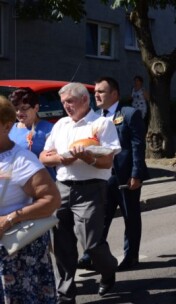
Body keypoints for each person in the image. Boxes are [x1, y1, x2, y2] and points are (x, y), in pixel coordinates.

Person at [39, 82, 121, 302]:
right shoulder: (61, 125)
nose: (66, 106)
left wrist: (87, 157)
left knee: (92, 245)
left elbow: (106, 163)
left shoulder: (101, 124)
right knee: (61, 244)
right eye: (63, 102)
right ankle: (66, 292)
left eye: (70, 101)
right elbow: (44, 156)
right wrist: (62, 158)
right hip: (62, 188)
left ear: (85, 100)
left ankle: (108, 269)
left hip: (91, 190)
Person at [77, 77, 149, 271]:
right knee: (98, 218)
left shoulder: (128, 114)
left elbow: (137, 146)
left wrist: (137, 174)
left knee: (130, 217)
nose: (96, 95)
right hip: (101, 175)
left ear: (114, 94)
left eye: (101, 91)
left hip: (123, 176)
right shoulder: (94, 117)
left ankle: (131, 256)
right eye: (95, 92)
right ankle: (90, 255)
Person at [0, 96, 61, 304]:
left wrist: (10, 218)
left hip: (15, 254)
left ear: (7, 126)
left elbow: (51, 199)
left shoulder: (21, 160)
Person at [8, 88, 56, 179]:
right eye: (16, 109)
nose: (19, 113)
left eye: (24, 108)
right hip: (16, 185)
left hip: (42, 184)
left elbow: (53, 160)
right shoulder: (9, 129)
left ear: (36, 108)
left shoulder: (48, 129)